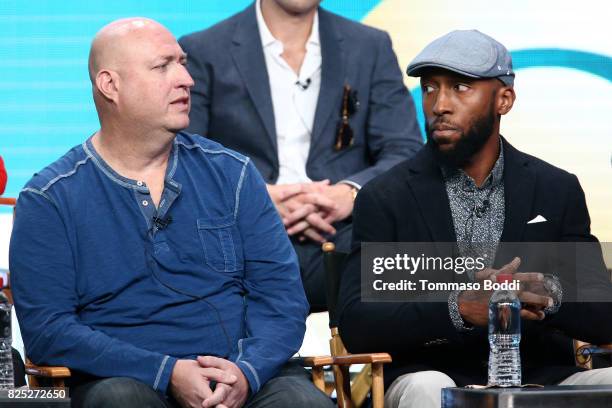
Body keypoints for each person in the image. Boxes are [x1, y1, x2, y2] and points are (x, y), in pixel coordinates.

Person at [10, 18, 333, 408]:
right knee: (120, 400)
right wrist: (166, 372)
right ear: (110, 85)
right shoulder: (49, 198)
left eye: (182, 63)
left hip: (244, 379)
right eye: (162, 67)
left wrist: (246, 372)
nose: (186, 79)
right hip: (126, 381)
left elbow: (282, 301)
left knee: (303, 403)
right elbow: (49, 330)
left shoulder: (233, 174)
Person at [336, 30, 612, 408]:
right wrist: (458, 307)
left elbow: (602, 316)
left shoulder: (555, 188)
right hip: (430, 374)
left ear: (504, 99)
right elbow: (359, 323)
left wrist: (546, 292)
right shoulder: (386, 197)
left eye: (460, 87)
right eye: (431, 88)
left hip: (540, 375)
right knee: (427, 389)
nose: (439, 105)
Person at [179, 0, 423, 310]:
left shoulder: (369, 46)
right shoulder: (203, 49)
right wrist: (255, 197)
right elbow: (186, 156)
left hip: (347, 234)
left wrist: (349, 194)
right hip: (244, 236)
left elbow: (405, 150)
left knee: (428, 265)